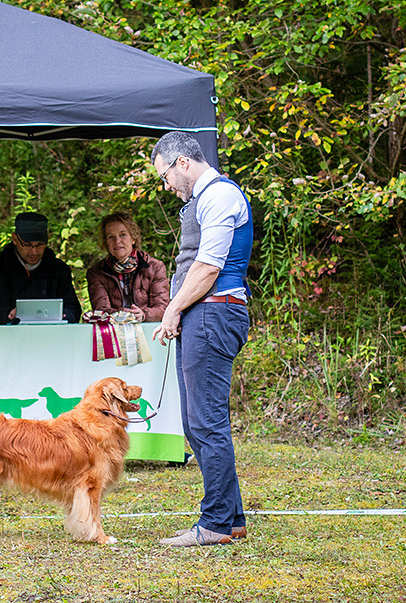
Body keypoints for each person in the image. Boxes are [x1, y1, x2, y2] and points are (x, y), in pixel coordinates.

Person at [150, 131, 253, 548]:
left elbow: (209, 267)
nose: (166, 186)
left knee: (206, 421)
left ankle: (213, 524)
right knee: (197, 423)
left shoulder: (219, 196)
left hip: (214, 311)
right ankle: (232, 519)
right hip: (202, 313)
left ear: (182, 163)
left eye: (165, 175)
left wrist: (173, 308)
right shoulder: (201, 199)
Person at [0, 212, 83, 325]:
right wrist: (8, 314)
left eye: (40, 245)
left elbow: (73, 309)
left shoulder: (58, 270)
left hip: (49, 337)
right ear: (14, 239)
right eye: (28, 245)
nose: (34, 252)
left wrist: (63, 314)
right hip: (4, 338)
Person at [85, 212, 169, 322]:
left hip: (148, 332)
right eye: (111, 237)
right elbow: (101, 310)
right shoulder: (96, 273)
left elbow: (162, 309)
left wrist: (143, 314)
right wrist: (125, 315)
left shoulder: (155, 267)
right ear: (106, 243)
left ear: (133, 238)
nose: (117, 241)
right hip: (113, 333)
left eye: (123, 234)